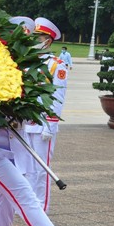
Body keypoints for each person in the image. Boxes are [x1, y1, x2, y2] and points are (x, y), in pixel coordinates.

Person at [17, 18, 69, 213]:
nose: (33, 39)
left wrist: (50, 124)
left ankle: (41, 208)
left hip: (42, 125)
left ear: (47, 40)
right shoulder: (27, 62)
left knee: (41, 169)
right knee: (24, 167)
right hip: (24, 123)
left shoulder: (57, 66)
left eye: (38, 36)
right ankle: (26, 204)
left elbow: (57, 97)